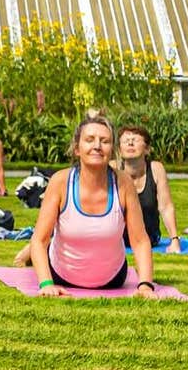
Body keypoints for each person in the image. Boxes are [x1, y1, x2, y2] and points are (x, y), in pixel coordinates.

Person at [20, 116, 157, 297]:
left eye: (105, 141)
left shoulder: (123, 183)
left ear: (112, 150)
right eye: (89, 140)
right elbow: (39, 240)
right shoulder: (60, 181)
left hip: (112, 279)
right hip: (61, 275)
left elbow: (140, 241)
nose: (97, 146)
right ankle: (36, 255)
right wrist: (46, 283)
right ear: (77, 148)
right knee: (45, 241)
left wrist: (145, 285)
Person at [115, 125, 180, 254]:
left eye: (136, 139)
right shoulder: (112, 170)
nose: (130, 142)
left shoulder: (156, 169)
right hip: (116, 241)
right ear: (119, 149)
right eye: (125, 140)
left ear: (147, 149)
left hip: (149, 239)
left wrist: (174, 240)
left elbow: (166, 207)